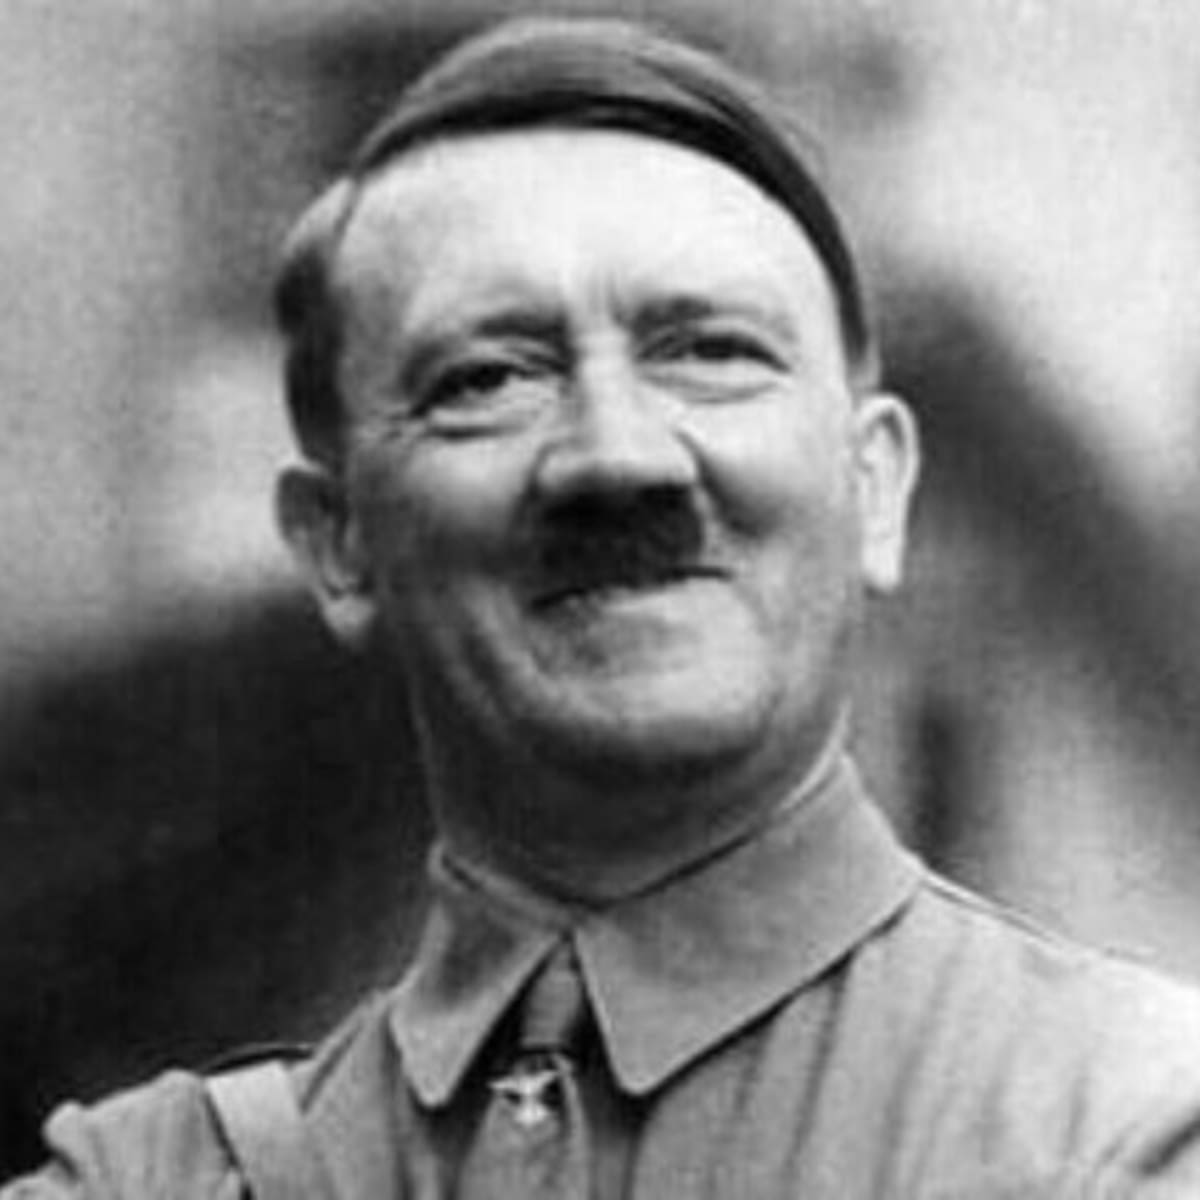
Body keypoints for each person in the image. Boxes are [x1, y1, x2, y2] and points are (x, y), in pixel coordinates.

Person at [7, 15, 1200, 1199]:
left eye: (713, 352)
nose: (618, 456)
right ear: (339, 544)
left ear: (876, 488)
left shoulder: (1126, 1126)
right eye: (487, 376)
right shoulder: (147, 1179)